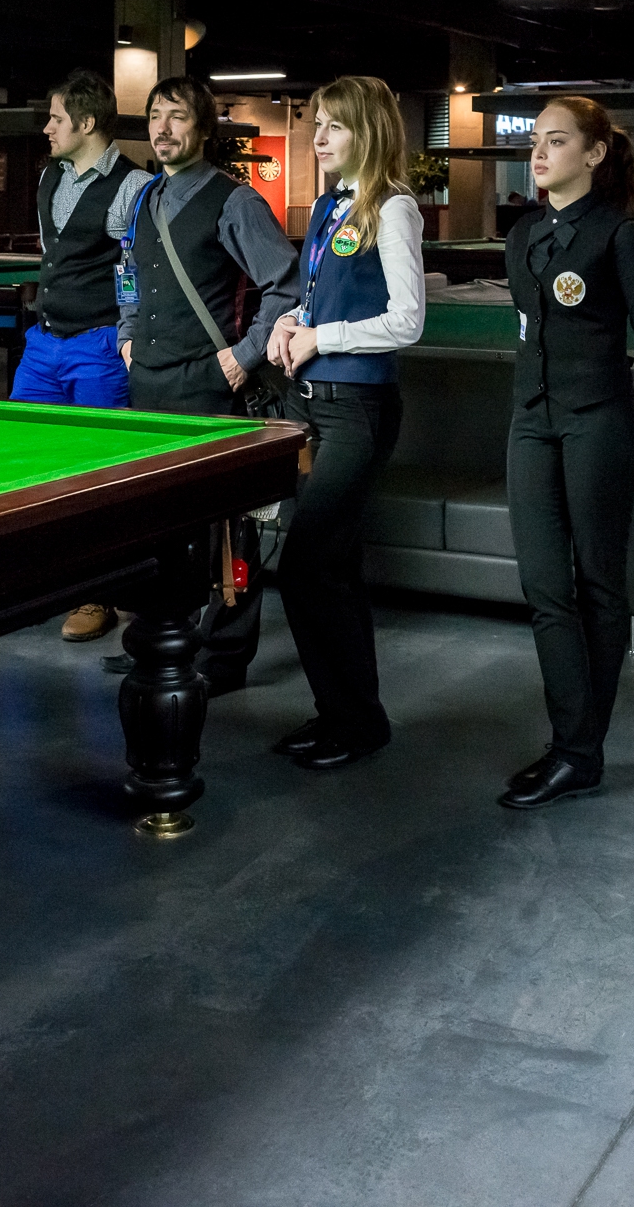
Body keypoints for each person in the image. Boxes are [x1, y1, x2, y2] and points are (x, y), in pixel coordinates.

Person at [496, 98, 634, 808]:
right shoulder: (523, 233)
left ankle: (577, 752)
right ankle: (574, 744)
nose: (539, 155)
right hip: (531, 420)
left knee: (599, 585)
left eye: (556, 141)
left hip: (599, 423)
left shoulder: (620, 234)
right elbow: (529, 328)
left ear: (596, 153)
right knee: (545, 587)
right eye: (536, 143)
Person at [265, 77, 426, 769]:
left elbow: (407, 321)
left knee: (306, 566)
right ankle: (347, 716)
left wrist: (321, 337)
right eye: (318, 124)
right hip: (310, 405)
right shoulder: (332, 205)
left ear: (369, 132)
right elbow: (320, 297)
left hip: (357, 409)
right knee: (332, 569)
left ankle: (354, 721)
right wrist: (290, 321)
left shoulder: (393, 207)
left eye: (335, 125)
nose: (319, 137)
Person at [122, 74, 302, 688]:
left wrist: (245, 356)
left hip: (209, 385)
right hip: (148, 385)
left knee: (230, 527)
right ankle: (163, 639)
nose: (163, 128)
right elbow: (129, 275)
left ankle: (224, 654)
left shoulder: (235, 201)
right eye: (155, 116)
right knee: (157, 522)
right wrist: (125, 334)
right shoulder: (145, 199)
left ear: (202, 129)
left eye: (177, 117)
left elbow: (285, 285)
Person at [14, 67, 151, 643]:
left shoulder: (133, 185)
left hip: (98, 343)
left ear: (87, 122)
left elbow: (134, 271)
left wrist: (127, 335)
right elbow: (54, 254)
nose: (47, 128)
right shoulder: (50, 176)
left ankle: (99, 593)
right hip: (43, 341)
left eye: (56, 119)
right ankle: (41, 580)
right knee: (24, 460)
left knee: (100, 475)